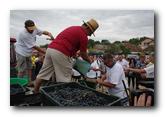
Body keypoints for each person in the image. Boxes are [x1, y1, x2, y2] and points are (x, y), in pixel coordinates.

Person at [34, 19, 99, 93]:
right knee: (64, 78)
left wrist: (74, 55)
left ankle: (35, 91)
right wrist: (89, 61)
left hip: (50, 49)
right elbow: (83, 53)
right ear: (88, 28)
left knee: (43, 73)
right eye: (91, 32)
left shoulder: (73, 28)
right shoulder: (84, 36)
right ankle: (62, 98)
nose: (90, 35)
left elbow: (68, 43)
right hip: (61, 52)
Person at [15, 20, 54, 86]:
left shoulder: (34, 28)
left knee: (30, 68)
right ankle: (18, 85)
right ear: (26, 27)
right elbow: (34, 46)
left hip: (28, 52)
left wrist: (50, 35)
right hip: (21, 52)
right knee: (22, 69)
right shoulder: (23, 34)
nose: (32, 30)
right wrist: (45, 52)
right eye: (30, 29)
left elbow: (43, 32)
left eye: (33, 28)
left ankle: (29, 82)